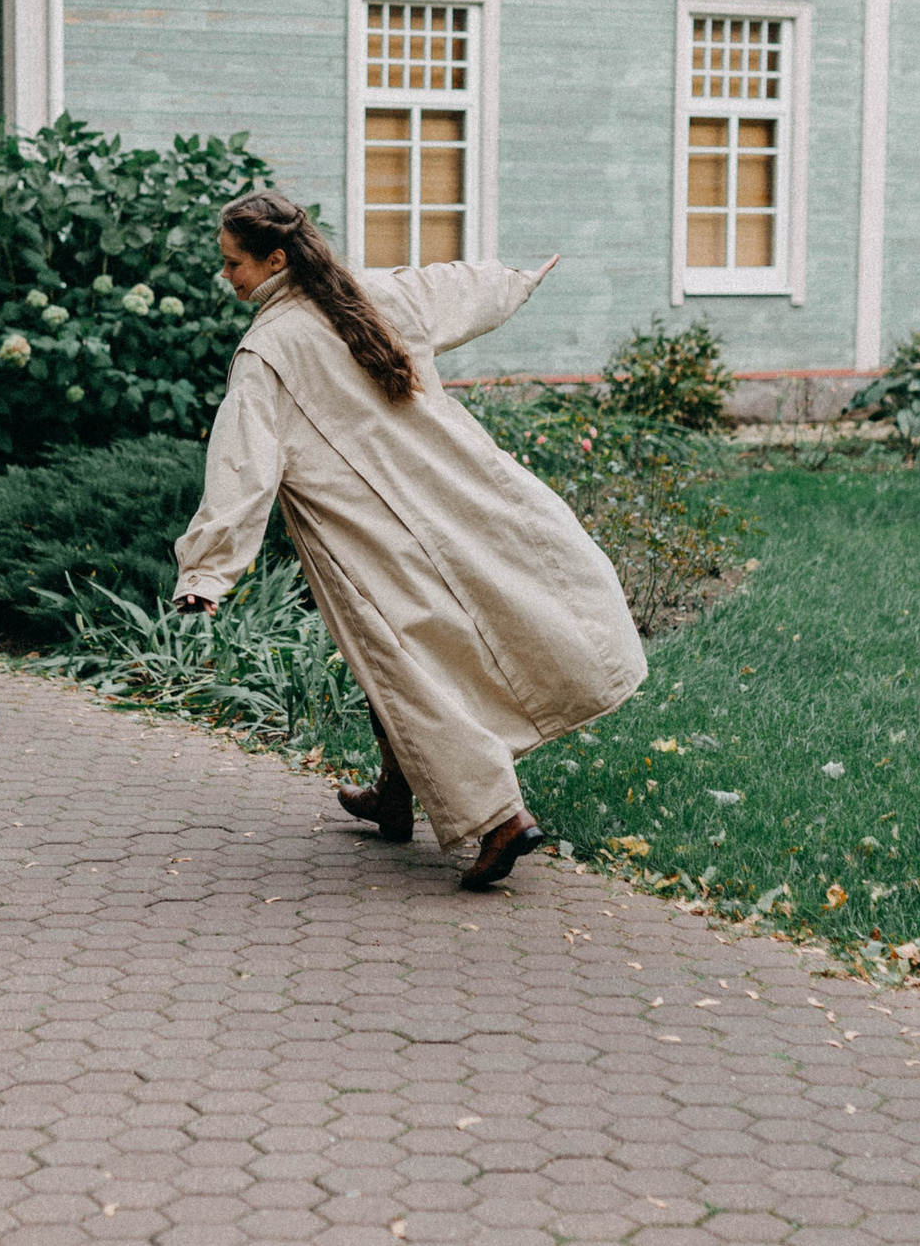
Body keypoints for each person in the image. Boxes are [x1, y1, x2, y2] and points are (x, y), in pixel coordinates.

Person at [172, 191, 646, 890]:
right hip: (443, 497)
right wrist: (514, 279)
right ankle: (395, 795)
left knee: (403, 664)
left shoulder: (267, 350)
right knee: (399, 659)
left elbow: (242, 468)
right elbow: (455, 290)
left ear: (275, 259)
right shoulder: (368, 294)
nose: (228, 277)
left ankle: (498, 818)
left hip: (366, 539)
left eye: (234, 263)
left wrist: (205, 574)